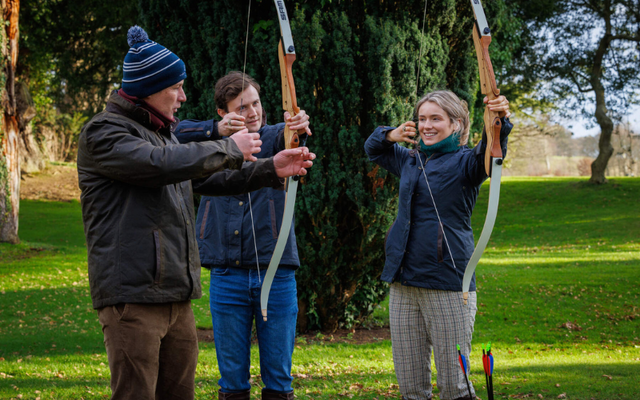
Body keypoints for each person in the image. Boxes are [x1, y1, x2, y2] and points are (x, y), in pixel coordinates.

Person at [77, 26, 315, 400]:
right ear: (150, 88)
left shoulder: (161, 134)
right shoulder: (103, 133)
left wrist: (273, 168)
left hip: (175, 294)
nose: (183, 97)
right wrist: (227, 146)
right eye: (177, 87)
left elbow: (208, 180)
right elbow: (159, 164)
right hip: (134, 297)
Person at [364, 90, 512, 400]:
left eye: (436, 119)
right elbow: (374, 148)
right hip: (403, 281)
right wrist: (392, 134)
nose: (427, 125)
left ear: (456, 124)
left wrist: (498, 119)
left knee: (454, 385)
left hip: (447, 282)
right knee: (411, 386)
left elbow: (492, 148)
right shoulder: (409, 159)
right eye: (421, 119)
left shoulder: (467, 163)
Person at [174, 71, 310, 400]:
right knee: (232, 381)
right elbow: (173, 134)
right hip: (226, 273)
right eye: (242, 107)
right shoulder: (209, 146)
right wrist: (218, 135)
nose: (253, 113)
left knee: (278, 379)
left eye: (256, 103)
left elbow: (293, 136)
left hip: (274, 273)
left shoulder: (276, 137)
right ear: (224, 114)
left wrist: (298, 125)